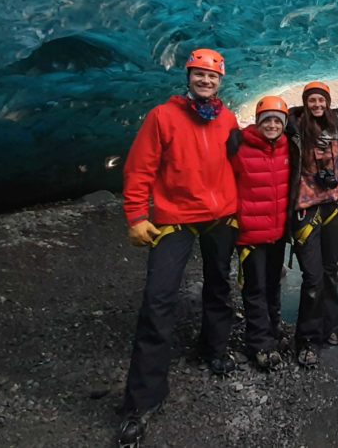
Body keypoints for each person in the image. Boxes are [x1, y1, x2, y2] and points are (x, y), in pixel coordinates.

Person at [117, 48, 239, 448]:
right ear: (188, 76)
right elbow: (140, 168)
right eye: (199, 74)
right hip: (175, 218)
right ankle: (143, 400)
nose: (206, 81)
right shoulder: (162, 117)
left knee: (219, 286)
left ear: (220, 82)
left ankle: (213, 349)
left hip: (220, 216)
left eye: (212, 76)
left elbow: (239, 166)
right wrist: (137, 216)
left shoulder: (227, 118)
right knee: (158, 300)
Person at [287, 81, 338, 367]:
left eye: (321, 100)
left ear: (328, 102)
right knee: (313, 278)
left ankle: (333, 327)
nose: (317, 105)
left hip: (333, 208)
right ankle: (306, 340)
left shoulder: (337, 125)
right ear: (305, 102)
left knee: (329, 271)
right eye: (311, 100)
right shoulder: (296, 126)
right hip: (306, 212)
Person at [228, 96, 293, 371]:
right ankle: (260, 344)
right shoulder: (239, 147)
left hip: (277, 233)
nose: (272, 125)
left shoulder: (288, 146)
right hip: (250, 235)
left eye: (278, 120)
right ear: (258, 122)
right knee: (255, 290)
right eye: (267, 120)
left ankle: (274, 328)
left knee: (273, 284)